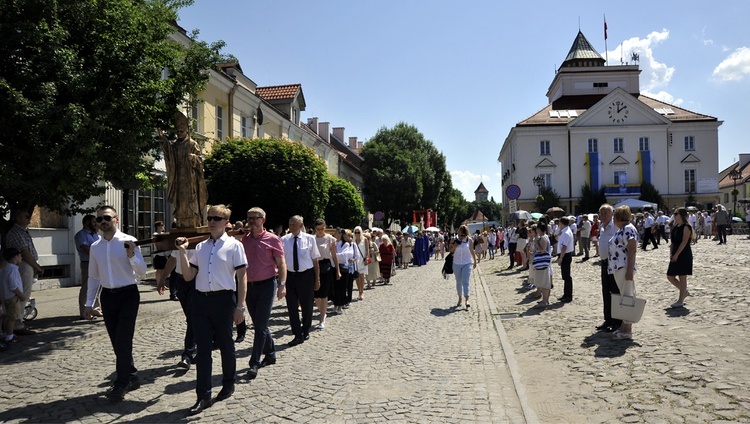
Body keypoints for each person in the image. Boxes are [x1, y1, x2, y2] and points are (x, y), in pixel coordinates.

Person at [175, 204, 247, 414]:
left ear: (226, 223)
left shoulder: (234, 246)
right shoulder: (200, 247)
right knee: (203, 350)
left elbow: (243, 277)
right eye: (210, 218)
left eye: (217, 218)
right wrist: (181, 252)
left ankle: (228, 382)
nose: (212, 221)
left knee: (226, 345)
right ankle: (203, 395)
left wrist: (240, 306)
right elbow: (188, 276)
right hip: (200, 301)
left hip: (224, 300)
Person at [84, 206, 147, 401]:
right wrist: (88, 303)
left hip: (128, 294)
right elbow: (93, 277)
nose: (103, 222)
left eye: (107, 218)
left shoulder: (129, 241)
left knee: (123, 339)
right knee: (115, 339)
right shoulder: (96, 247)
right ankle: (132, 375)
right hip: (108, 296)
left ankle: (121, 383)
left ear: (116, 219)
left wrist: (131, 255)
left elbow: (143, 271)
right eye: (99, 219)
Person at [241, 207, 286, 380]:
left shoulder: (273, 239)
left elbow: (281, 264)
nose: (252, 221)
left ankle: (254, 362)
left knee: (259, 325)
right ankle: (271, 353)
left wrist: (282, 284)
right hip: (249, 286)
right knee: (260, 323)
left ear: (263, 220)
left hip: (267, 285)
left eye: (256, 218)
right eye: (249, 218)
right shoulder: (243, 240)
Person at [159, 110, 208, 229]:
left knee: (191, 203)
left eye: (182, 131)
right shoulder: (175, 145)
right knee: (180, 204)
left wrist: (194, 158)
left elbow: (201, 163)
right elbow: (170, 155)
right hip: (179, 180)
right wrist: (164, 141)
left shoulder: (192, 144)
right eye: (178, 131)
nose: (179, 133)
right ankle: (181, 223)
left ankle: (194, 222)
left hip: (190, 181)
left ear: (187, 130)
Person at [281, 215, 320, 347]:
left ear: (301, 225)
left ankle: (305, 328)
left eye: (294, 224)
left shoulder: (310, 239)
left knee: (307, 305)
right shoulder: (284, 240)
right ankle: (297, 333)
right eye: (290, 224)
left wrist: (317, 279)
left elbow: (315, 260)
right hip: (290, 276)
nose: (292, 227)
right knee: (291, 306)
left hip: (306, 275)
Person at [4, 208, 43, 334]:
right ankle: (17, 324)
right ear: (18, 218)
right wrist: (36, 267)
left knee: (24, 294)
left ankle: (17, 322)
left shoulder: (23, 231)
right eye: (26, 216)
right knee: (22, 295)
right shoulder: (16, 232)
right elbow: (25, 252)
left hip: (25, 264)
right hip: (23, 265)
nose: (29, 218)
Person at [157, 247, 196, 370]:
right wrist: (162, 279)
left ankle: (187, 354)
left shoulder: (203, 241)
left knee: (192, 318)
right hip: (181, 281)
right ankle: (196, 346)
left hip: (196, 280)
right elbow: (172, 260)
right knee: (191, 318)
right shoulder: (179, 241)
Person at [608, 206, 639, 340]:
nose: (613, 219)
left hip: (623, 267)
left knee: (627, 297)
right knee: (623, 296)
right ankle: (623, 326)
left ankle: (628, 330)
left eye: (614, 216)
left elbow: (632, 251)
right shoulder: (622, 229)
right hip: (618, 267)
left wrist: (629, 272)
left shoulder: (628, 229)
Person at [595, 204, 622, 332]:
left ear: (612, 214)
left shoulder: (615, 227)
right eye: (601, 213)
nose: (603, 215)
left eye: (606, 213)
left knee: (615, 292)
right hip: (604, 263)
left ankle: (617, 321)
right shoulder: (602, 228)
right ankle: (608, 319)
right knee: (605, 291)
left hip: (614, 264)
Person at [75, 214, 102, 319]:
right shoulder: (81, 235)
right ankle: (83, 311)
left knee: (97, 287)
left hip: (98, 263)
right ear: (87, 222)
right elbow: (86, 248)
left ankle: (95, 308)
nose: (96, 224)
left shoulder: (95, 235)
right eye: (94, 222)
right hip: (88, 263)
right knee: (87, 287)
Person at [666, 207, 694, 308]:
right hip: (675, 253)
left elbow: (684, 242)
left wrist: (677, 254)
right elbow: (672, 242)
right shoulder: (675, 226)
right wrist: (671, 253)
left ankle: (680, 300)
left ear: (681, 215)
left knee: (682, 277)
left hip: (683, 254)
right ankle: (684, 291)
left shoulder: (686, 227)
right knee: (670, 276)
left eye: (676, 213)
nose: (674, 215)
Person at [314, 219, 338, 330]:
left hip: (325, 266)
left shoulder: (330, 239)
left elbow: (334, 255)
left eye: (322, 228)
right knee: (316, 295)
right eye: (318, 229)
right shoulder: (312, 239)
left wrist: (337, 270)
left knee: (323, 294)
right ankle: (322, 311)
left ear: (325, 227)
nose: (320, 231)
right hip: (314, 265)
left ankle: (322, 318)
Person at [1, 248, 27, 344]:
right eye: (19, 256)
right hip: (12, 297)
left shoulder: (4, 268)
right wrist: (21, 295)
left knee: (6, 316)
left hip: (5, 296)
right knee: (12, 318)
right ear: (15, 257)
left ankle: (5, 333)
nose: (21, 258)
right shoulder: (13, 269)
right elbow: (13, 286)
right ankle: (9, 337)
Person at [449, 225, 477, 310]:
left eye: (464, 235)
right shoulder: (454, 239)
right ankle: (460, 297)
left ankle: (467, 299)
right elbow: (450, 250)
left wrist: (475, 261)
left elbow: (472, 251)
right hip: (456, 263)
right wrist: (454, 246)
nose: (462, 237)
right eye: (461, 235)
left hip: (467, 263)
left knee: (466, 281)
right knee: (458, 282)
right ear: (459, 233)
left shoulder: (469, 240)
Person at [334, 229, 356, 315]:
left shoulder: (346, 244)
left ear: (340, 234)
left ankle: (340, 305)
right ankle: (335, 304)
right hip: (335, 267)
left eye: (336, 233)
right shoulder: (334, 243)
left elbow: (344, 256)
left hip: (343, 267)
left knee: (342, 287)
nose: (334, 234)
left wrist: (333, 255)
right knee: (335, 287)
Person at [531, 222, 552, 308]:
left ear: (539, 229)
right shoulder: (542, 237)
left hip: (543, 262)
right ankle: (545, 300)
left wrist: (536, 243)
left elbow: (543, 250)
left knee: (545, 282)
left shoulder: (543, 238)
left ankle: (545, 301)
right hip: (542, 262)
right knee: (543, 281)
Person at [555, 217, 574, 303]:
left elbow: (564, 247)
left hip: (565, 255)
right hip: (565, 255)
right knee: (565, 276)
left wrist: (560, 258)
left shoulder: (566, 233)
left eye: (559, 224)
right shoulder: (564, 232)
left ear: (562, 223)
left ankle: (568, 295)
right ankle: (565, 294)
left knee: (566, 276)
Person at [353, 226, 368, 300]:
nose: (357, 233)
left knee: (362, 276)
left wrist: (366, 259)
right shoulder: (353, 241)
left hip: (362, 259)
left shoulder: (364, 239)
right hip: (355, 261)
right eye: (355, 232)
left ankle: (362, 292)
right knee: (356, 277)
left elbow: (367, 250)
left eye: (358, 232)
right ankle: (359, 291)